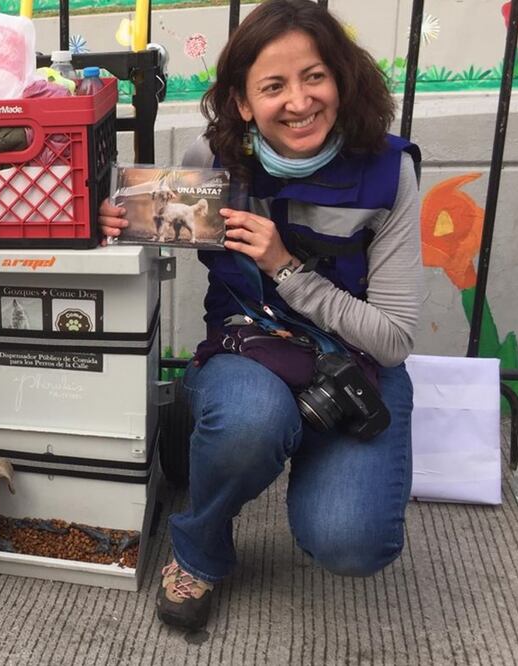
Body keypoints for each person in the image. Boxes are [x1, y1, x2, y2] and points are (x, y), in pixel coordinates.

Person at [101, 0, 423, 631]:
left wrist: (285, 266)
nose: (299, 101)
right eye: (273, 86)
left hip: (353, 367)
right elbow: (159, 223)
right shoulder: (212, 156)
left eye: (315, 76)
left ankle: (303, 443)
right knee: (249, 421)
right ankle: (199, 544)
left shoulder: (390, 172)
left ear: (342, 79)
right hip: (251, 349)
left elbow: (393, 341)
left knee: (354, 543)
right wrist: (116, 223)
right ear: (244, 103)